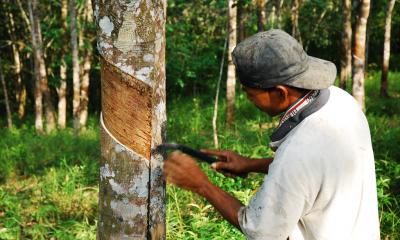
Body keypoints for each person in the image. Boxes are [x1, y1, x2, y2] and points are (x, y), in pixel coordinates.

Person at [163, 29, 380, 240]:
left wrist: (201, 184)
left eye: (250, 93)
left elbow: (259, 230)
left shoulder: (298, 152)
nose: (249, 100)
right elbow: (313, 169)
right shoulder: (340, 100)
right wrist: (250, 164)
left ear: (280, 92)